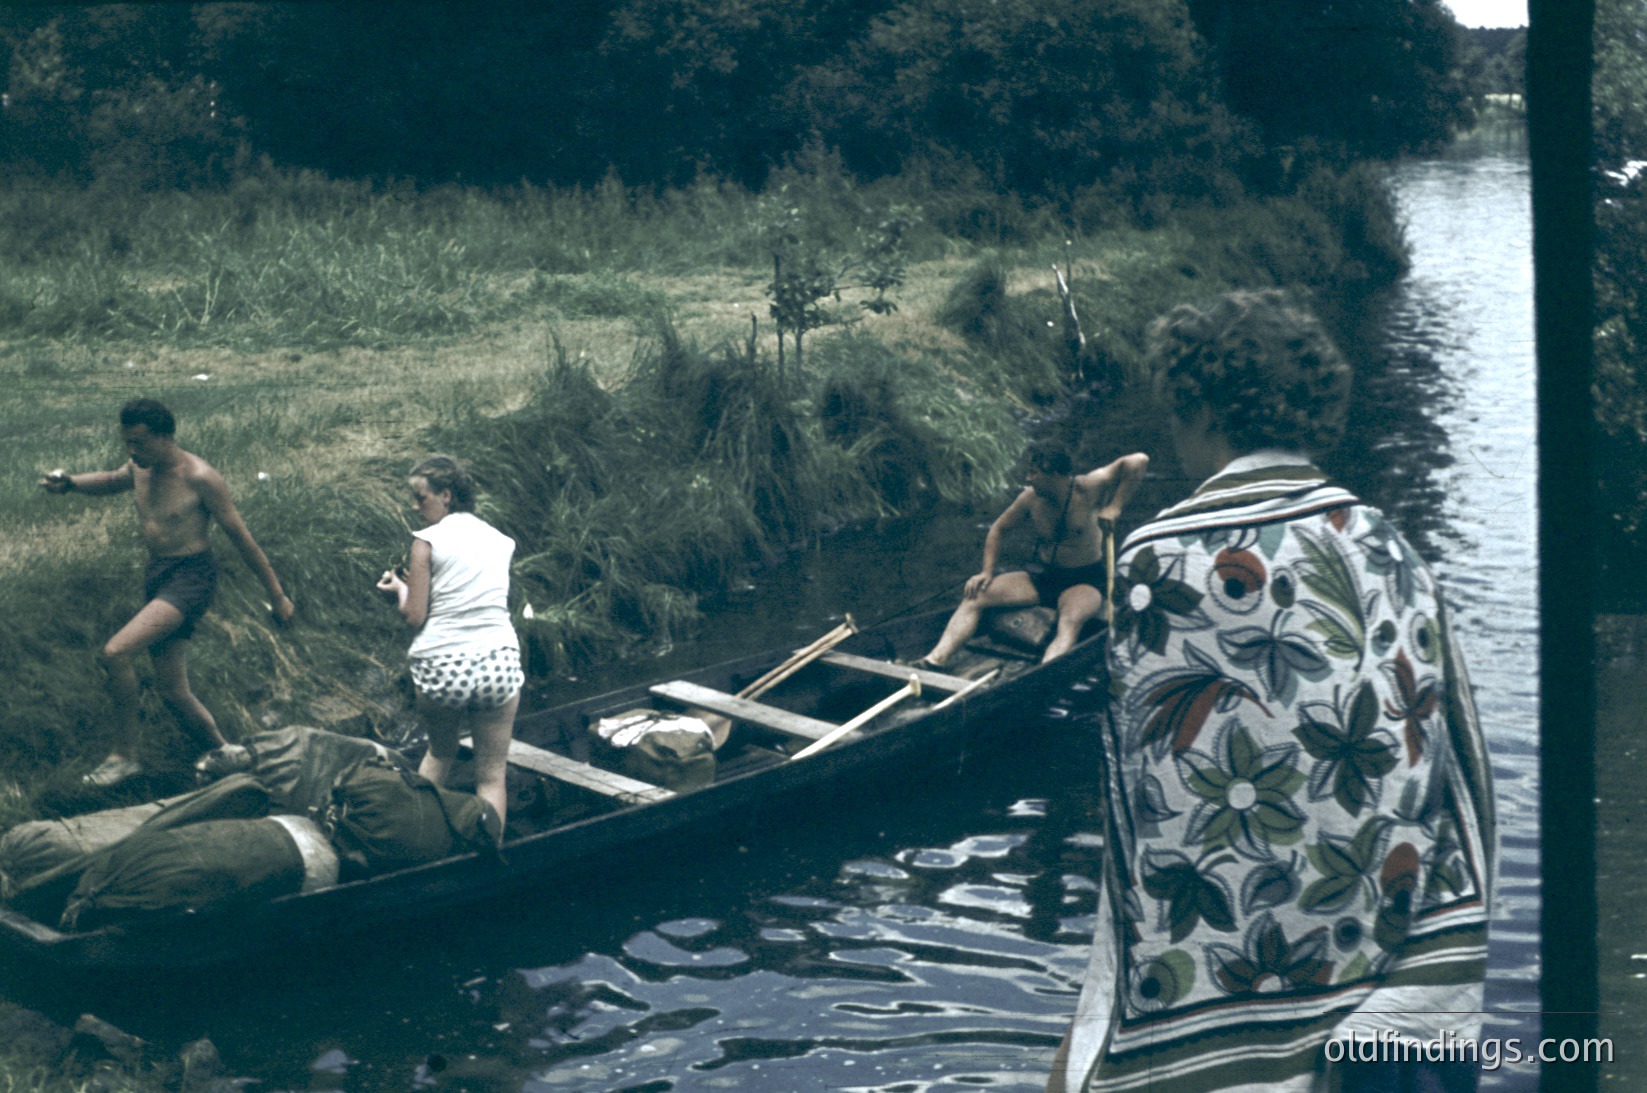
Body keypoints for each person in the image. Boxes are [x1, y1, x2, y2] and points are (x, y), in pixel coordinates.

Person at [1048, 290, 1496, 1092]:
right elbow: (1450, 778)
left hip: (1220, 1009)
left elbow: (1152, 826)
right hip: (1381, 987)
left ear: (1205, 407)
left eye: (1176, 409)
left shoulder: (1154, 561)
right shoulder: (1394, 550)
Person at [40, 397, 296, 787]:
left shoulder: (200, 477)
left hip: (191, 578)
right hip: (159, 575)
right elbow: (110, 480)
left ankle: (123, 757)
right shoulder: (139, 467)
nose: (131, 451)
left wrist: (277, 595)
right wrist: (71, 483)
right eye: (127, 442)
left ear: (165, 437)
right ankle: (226, 754)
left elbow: (242, 539)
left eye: (139, 443)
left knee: (116, 652)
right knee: (172, 690)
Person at [376, 455, 522, 834]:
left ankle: (420, 848)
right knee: (492, 775)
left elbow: (415, 616)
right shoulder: (501, 540)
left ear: (446, 495)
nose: (414, 505)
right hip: (498, 661)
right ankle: (493, 855)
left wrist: (400, 590)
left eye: (419, 497)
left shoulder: (426, 541)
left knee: (440, 753)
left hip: (444, 664)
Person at [917, 441, 1148, 667]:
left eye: (1033, 473)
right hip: (1042, 577)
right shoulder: (1029, 498)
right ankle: (934, 660)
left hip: (1083, 581)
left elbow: (1138, 461)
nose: (1028, 479)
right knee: (975, 596)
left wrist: (1115, 507)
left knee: (1069, 622)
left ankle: (1042, 673)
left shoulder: (1088, 487)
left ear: (1054, 474)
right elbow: (998, 529)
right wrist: (986, 571)